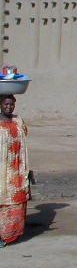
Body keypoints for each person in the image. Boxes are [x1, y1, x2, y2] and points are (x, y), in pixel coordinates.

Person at [0, 94, 30, 247]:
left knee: (16, 199)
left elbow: (25, 134)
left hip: (17, 168)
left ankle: (10, 235)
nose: (9, 107)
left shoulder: (18, 120)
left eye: (11, 104)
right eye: (6, 104)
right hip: (2, 169)